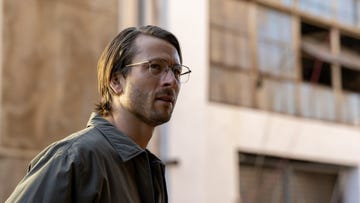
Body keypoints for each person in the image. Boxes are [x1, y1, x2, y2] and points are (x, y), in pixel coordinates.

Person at [6, 25, 191, 203]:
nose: (171, 81)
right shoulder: (75, 159)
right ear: (116, 81)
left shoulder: (149, 170)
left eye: (176, 72)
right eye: (155, 67)